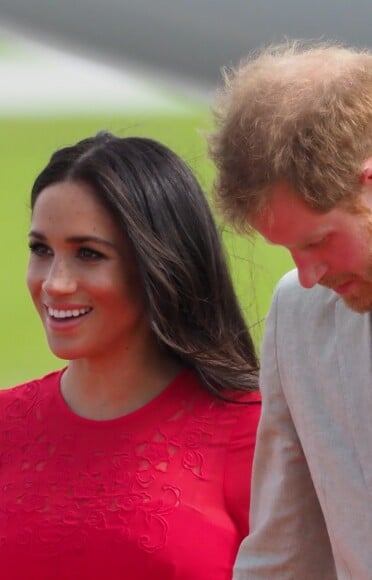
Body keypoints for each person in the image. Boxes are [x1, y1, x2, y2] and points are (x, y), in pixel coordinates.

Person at [0, 131, 260, 580]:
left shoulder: (254, 430)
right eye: (41, 250)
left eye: (88, 254)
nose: (55, 283)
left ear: (158, 265)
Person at [208, 40, 372, 579]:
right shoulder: (298, 315)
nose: (308, 276)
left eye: (318, 241)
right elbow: (283, 554)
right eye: (289, 251)